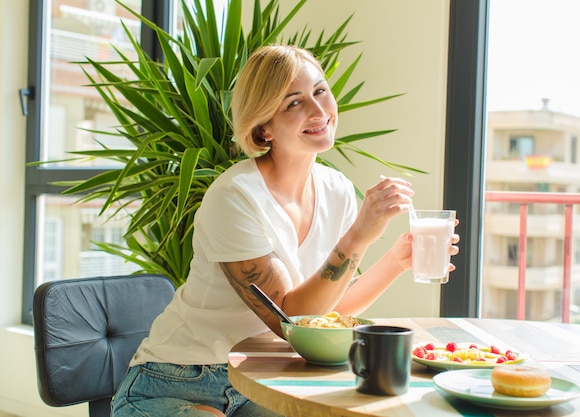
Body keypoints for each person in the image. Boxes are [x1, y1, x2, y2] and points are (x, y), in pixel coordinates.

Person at [111, 44, 460, 417]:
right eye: (294, 103)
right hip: (176, 379)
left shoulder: (337, 189)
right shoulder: (234, 196)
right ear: (263, 129)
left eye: (320, 91)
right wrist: (360, 234)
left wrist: (395, 261)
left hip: (260, 382)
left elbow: (325, 314)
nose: (318, 110)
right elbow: (290, 321)